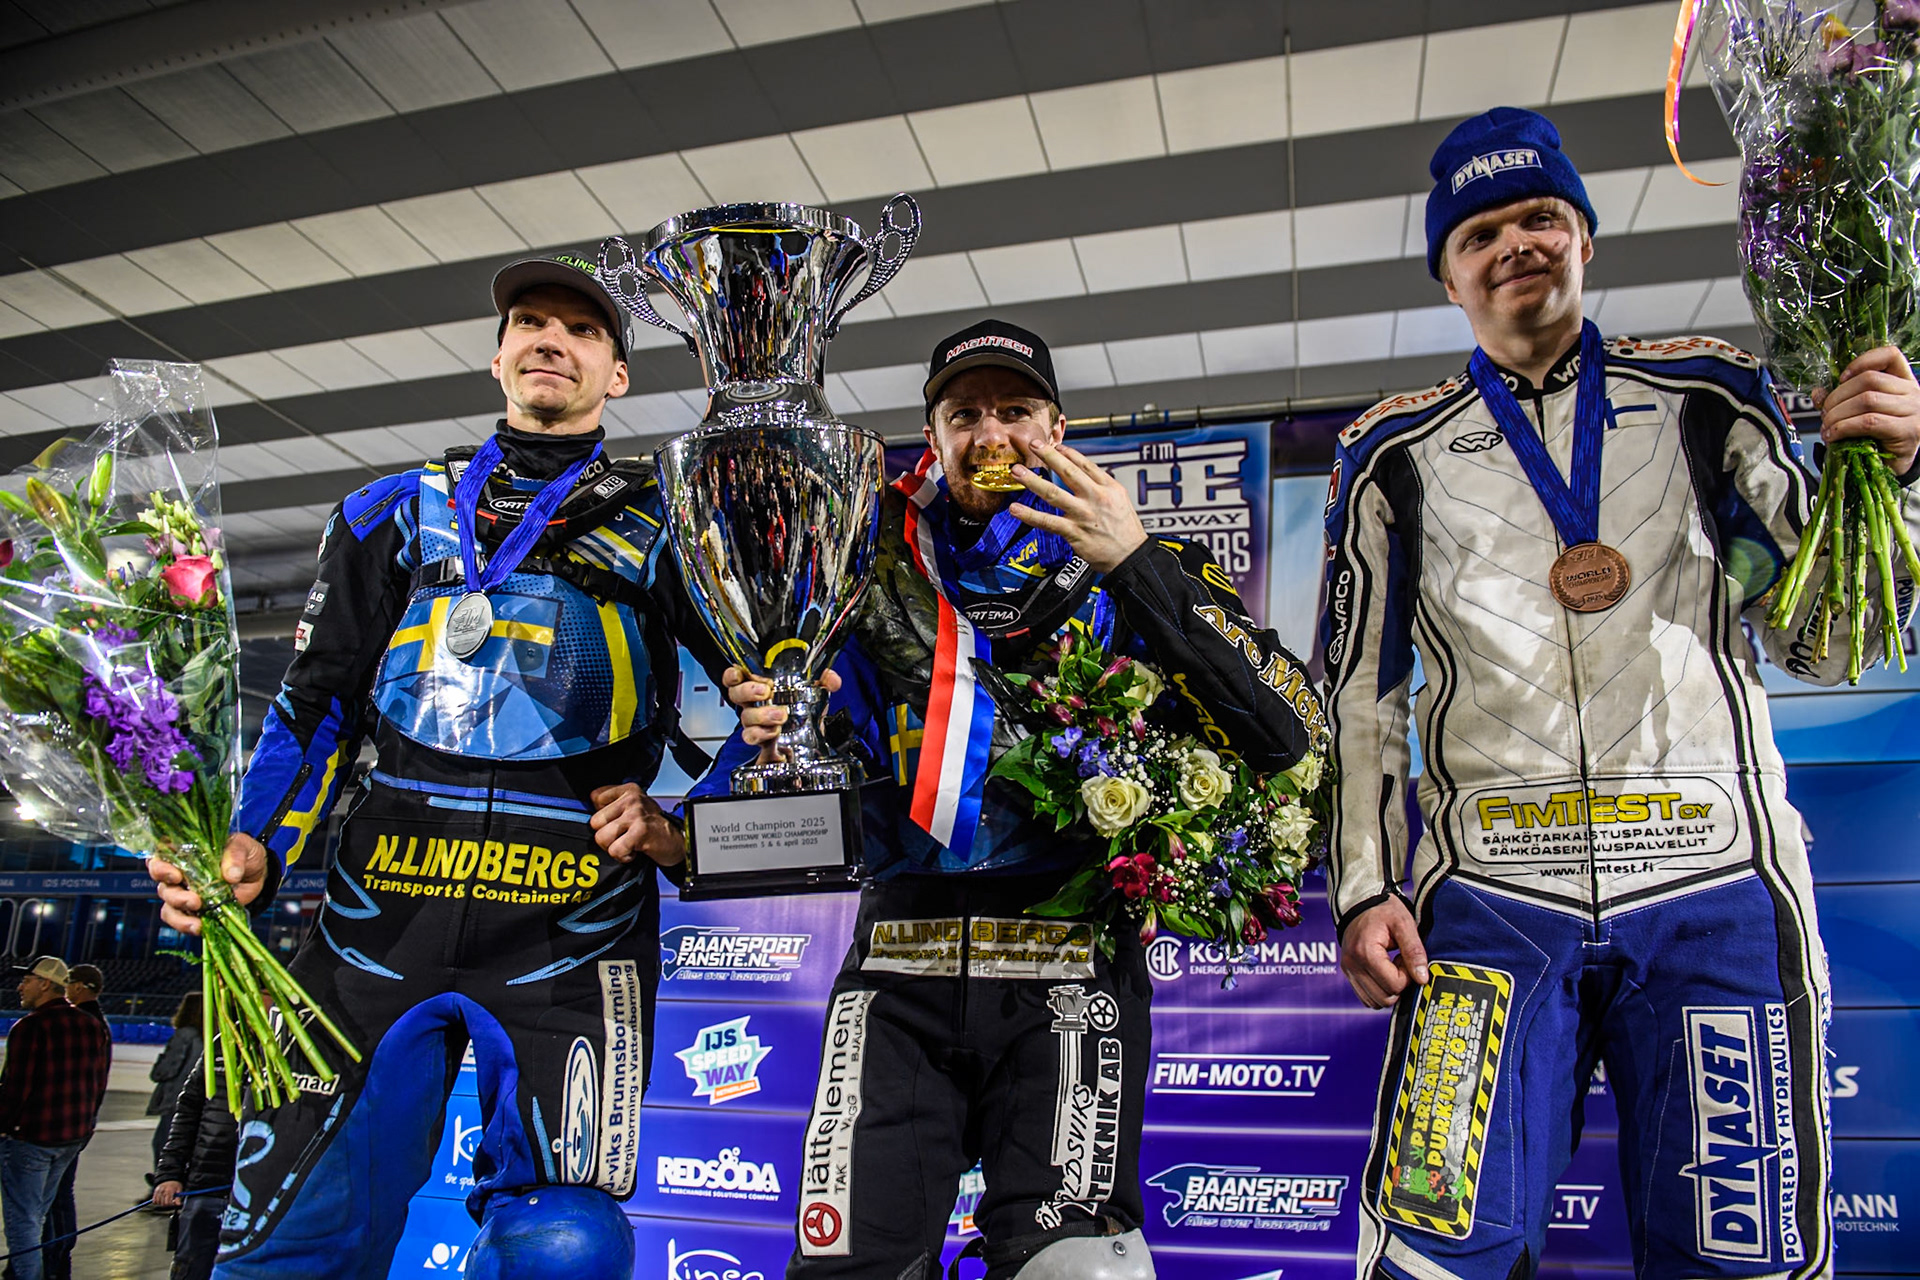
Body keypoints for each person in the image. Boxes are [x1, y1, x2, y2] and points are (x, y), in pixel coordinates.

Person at [1323, 106, 1920, 1280]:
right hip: (1490, 905)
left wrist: (1897, 471)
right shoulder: (1392, 451)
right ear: (1450, 277)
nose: (1515, 246)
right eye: (1481, 232)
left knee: (1737, 1261)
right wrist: (1359, 888)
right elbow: (1361, 695)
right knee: (1437, 1255)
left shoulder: (1713, 396)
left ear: (1586, 238)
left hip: (1713, 887)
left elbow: (1830, 636)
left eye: (1541, 216)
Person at [146, 251, 732, 1279]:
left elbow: (775, 702)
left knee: (564, 1245)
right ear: (497, 355)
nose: (552, 339)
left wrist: (686, 824)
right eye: (530, 323)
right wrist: (253, 842)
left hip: (572, 929)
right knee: (283, 1241)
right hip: (374, 924)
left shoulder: (680, 522)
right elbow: (312, 703)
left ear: (618, 375)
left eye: (584, 330)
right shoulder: (385, 511)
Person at [714, 319, 1325, 1280]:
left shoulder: (1138, 571)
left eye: (1016, 410)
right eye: (964, 413)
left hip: (1070, 981)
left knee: (1081, 1271)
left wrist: (1136, 564)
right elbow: (792, 773)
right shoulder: (857, 570)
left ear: (1059, 428)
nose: (990, 432)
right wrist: (781, 742)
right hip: (896, 978)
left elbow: (1283, 730)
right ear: (934, 435)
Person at [0, 956, 111, 1280]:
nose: (21, 986)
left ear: (45, 984)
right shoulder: (91, 1025)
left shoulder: (30, 1027)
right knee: (41, 1213)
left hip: (31, 1139)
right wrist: (86, 1128)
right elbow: (97, 1082)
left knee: (24, 1222)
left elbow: (15, 1090)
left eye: (28, 980)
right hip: (69, 1138)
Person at [39, 965, 108, 1280]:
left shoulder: (82, 1022)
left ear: (81, 987)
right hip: (81, 1120)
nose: (66, 988)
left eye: (69, 983)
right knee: (61, 1193)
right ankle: (58, 1256)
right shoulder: (98, 1022)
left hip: (64, 1122)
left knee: (53, 1196)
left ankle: (53, 1259)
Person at [153, 1036, 238, 1280]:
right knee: (191, 1269)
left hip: (259, 1195)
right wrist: (170, 1173)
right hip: (205, 1188)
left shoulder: (289, 1045)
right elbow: (188, 1111)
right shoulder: (220, 1045)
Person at [148, 993, 204, 1171]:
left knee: (164, 1143)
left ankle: (163, 1183)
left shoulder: (184, 1035)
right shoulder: (208, 1036)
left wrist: (158, 1069)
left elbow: (167, 1069)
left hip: (176, 1098)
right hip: (197, 1099)